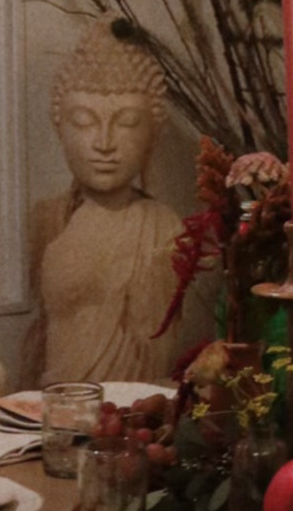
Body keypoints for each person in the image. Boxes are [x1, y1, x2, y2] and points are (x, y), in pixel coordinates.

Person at [25, 25, 183, 382]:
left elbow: (160, 347)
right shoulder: (48, 219)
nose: (105, 143)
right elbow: (40, 332)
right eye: (84, 122)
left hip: (130, 413)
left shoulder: (164, 226)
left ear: (152, 134)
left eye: (127, 123)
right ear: (60, 127)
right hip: (57, 405)